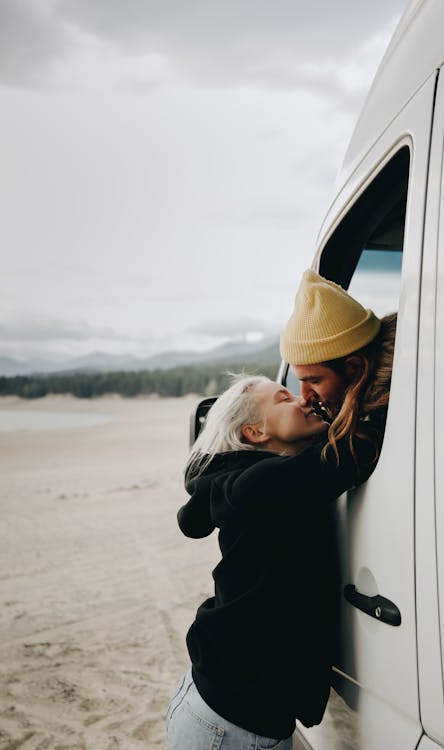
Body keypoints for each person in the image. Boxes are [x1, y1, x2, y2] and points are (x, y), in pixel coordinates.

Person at [166, 373, 379, 750]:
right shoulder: (260, 485)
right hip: (229, 729)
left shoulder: (253, 483)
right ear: (255, 433)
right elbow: (355, 450)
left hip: (221, 710)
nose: (302, 400)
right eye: (284, 398)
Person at [280, 269, 397, 465]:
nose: (305, 395)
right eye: (300, 381)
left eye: (314, 381)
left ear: (354, 367)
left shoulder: (389, 414)